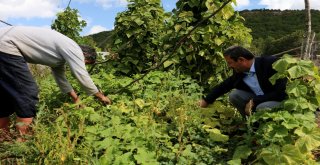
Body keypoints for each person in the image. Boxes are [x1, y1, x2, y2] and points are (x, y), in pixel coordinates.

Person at [0, 26, 112, 140]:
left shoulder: (59, 57)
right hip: (6, 45)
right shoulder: (74, 48)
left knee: (6, 93)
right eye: (85, 63)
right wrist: (101, 97)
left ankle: (3, 136)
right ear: (85, 55)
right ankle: (22, 141)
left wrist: (76, 99)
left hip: (4, 44)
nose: (82, 65)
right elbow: (82, 76)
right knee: (27, 92)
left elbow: (61, 80)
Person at [199, 46, 287, 117]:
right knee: (234, 95)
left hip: (281, 101)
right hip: (261, 99)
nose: (229, 66)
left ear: (241, 60)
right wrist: (206, 101)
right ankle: (250, 125)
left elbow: (281, 93)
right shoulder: (241, 72)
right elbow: (224, 86)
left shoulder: (270, 64)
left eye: (230, 63)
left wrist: (254, 101)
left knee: (262, 107)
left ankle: (267, 132)